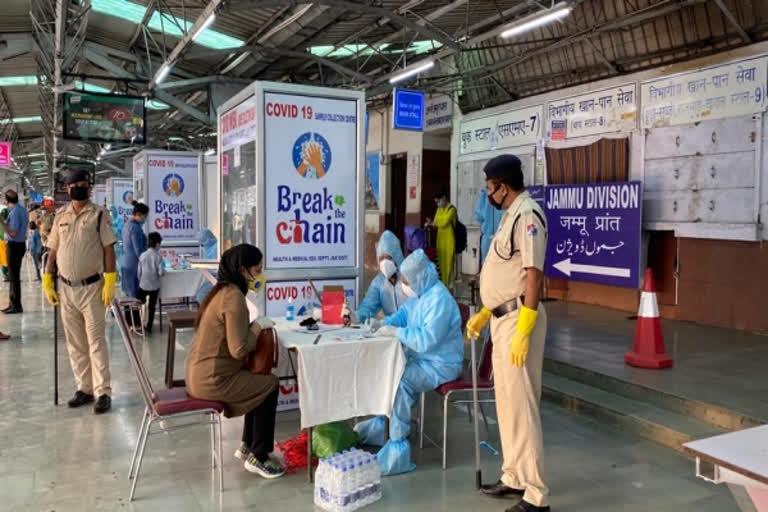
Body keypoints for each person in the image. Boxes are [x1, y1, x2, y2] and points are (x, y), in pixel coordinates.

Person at [465, 154, 549, 512]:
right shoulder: (508, 216)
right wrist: (485, 312)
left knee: (523, 408)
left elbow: (533, 275)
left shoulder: (528, 215)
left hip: (519, 319)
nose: (488, 195)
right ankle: (514, 476)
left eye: (489, 188)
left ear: (503, 185)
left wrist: (525, 328)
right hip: (501, 320)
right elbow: (507, 271)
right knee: (507, 406)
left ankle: (536, 494)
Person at [354, 249, 464, 475]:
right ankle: (380, 427)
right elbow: (404, 314)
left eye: (406, 281)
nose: (404, 285)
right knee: (389, 372)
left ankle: (397, 452)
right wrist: (380, 324)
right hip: (424, 361)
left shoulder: (439, 299)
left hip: (442, 365)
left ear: (420, 277)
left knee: (400, 380)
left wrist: (396, 332)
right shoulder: (421, 294)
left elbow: (426, 340)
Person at [185, 244, 284, 479]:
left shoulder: (221, 292)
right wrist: (258, 327)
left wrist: (253, 328)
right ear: (243, 271)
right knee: (269, 384)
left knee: (256, 382)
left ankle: (247, 445)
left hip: (199, 374)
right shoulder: (233, 298)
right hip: (212, 380)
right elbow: (239, 349)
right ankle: (259, 457)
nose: (260, 275)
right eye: (257, 269)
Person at [43, 169, 118, 414]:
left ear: (89, 187)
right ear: (67, 188)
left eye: (83, 184)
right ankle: (84, 388)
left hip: (92, 288)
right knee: (75, 343)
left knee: (96, 342)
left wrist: (110, 280)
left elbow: (108, 249)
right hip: (66, 289)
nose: (79, 187)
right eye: (74, 184)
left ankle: (103, 391)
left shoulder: (98, 214)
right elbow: (53, 250)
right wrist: (47, 278)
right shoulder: (60, 216)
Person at [343, 230, 408, 325]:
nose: (385, 263)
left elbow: (413, 310)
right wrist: (355, 316)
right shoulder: (379, 282)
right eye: (381, 259)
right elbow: (368, 307)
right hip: (391, 331)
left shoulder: (408, 279)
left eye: (388, 258)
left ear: (396, 256)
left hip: (412, 332)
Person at [0, 189, 28, 314]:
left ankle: (16, 306)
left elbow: (13, 232)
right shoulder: (21, 210)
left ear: (7, 200)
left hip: (14, 246)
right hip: (18, 245)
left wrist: (1, 223)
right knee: (13, 276)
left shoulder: (15, 212)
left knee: (14, 277)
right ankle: (13, 304)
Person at [425, 190, 456, 286]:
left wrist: (434, 223)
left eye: (438, 201)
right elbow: (436, 222)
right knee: (441, 266)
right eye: (436, 202)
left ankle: (448, 287)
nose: (438, 204)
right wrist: (431, 223)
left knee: (448, 265)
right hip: (440, 240)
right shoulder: (439, 209)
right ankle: (443, 286)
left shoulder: (451, 209)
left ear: (444, 198)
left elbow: (444, 222)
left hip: (449, 241)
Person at [120, 201, 149, 298]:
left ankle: (129, 313)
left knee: (128, 296)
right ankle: (135, 313)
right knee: (134, 297)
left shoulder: (127, 225)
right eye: (145, 216)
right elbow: (138, 251)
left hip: (126, 263)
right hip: (133, 265)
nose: (145, 219)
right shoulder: (135, 228)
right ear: (139, 215)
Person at [137, 232, 164, 334]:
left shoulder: (142, 255)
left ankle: (138, 324)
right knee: (152, 307)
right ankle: (149, 327)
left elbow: (139, 273)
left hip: (143, 285)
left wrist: (141, 281)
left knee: (138, 304)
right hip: (154, 286)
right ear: (157, 244)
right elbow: (161, 273)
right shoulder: (158, 256)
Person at [474, 189, 504, 265]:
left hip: (495, 236)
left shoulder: (485, 195)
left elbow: (478, 216)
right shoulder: (485, 195)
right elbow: (478, 216)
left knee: (488, 263)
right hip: (499, 236)